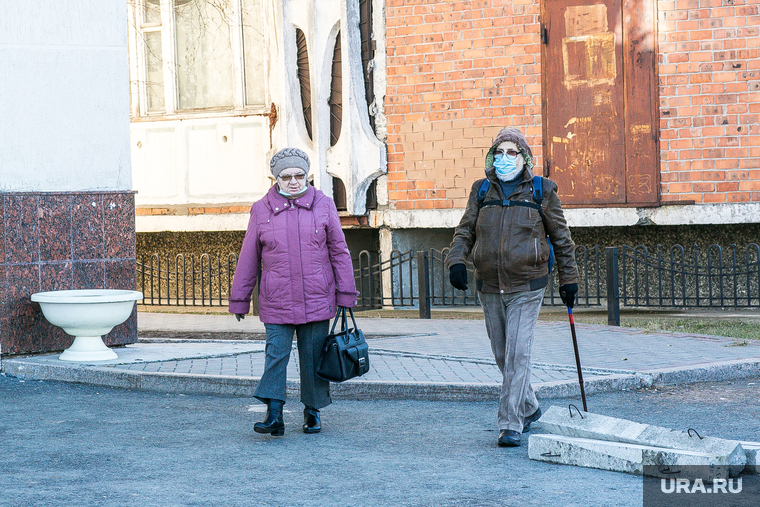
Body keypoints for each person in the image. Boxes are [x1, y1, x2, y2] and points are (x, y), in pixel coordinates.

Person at [445, 128, 578, 447]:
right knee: (503, 356)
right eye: (499, 152)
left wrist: (568, 279)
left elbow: (562, 238)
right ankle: (530, 407)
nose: (505, 158)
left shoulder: (541, 190)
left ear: (524, 157)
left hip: (526, 285)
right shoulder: (481, 190)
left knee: (518, 355)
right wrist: (456, 261)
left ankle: (510, 423)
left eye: (512, 152)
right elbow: (464, 231)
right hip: (489, 285)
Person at [229, 147, 358, 436]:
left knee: (313, 357)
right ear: (275, 178)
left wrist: (346, 294)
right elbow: (249, 255)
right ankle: (274, 414)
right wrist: (240, 299)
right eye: (286, 176)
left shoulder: (324, 204)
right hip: (277, 300)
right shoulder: (261, 209)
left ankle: (312, 412)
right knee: (276, 356)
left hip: (316, 297)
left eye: (299, 175)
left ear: (307, 176)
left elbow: (339, 251)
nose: (294, 181)